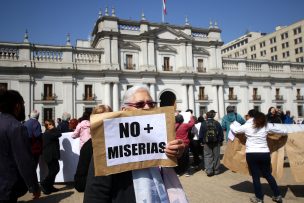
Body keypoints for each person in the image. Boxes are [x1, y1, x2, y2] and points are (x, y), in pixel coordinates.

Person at [84, 85, 186, 203]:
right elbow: (96, 191)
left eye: (151, 103)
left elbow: (180, 169)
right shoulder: (109, 143)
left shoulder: (164, 135)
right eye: (140, 104)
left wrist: (180, 154)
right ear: (124, 111)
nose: (147, 107)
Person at [230, 109, 287, 203]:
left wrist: (232, 124)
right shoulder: (265, 124)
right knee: (268, 174)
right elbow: (283, 130)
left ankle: (259, 198)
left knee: (255, 176)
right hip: (264, 153)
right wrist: (283, 135)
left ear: (250, 116)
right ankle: (277, 195)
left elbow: (236, 130)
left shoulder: (247, 125)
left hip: (252, 153)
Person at [0, 90, 40, 202]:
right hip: (7, 187)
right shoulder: (17, 127)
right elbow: (25, 161)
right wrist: (34, 187)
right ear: (17, 106)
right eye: (23, 104)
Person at [74, 104, 113, 192]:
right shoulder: (88, 147)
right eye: (100, 120)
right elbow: (80, 184)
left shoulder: (124, 143)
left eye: (108, 119)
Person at [199, 110, 224, 176]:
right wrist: (221, 141)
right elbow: (221, 133)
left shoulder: (203, 123)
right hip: (216, 142)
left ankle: (209, 170)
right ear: (213, 116)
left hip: (206, 142)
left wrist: (201, 141)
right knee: (216, 156)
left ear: (207, 116)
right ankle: (216, 170)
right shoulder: (217, 123)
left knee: (207, 156)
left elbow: (201, 134)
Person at [40, 119, 62, 195]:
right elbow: (59, 134)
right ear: (47, 126)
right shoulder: (47, 133)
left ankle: (49, 186)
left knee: (55, 170)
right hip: (49, 156)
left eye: (52, 124)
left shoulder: (50, 133)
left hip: (53, 155)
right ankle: (44, 183)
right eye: (49, 124)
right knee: (54, 170)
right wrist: (54, 128)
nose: (51, 125)